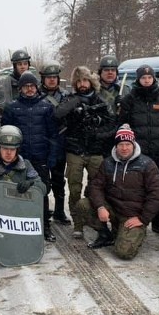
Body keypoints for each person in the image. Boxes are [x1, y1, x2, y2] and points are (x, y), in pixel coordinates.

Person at [76, 124, 159, 259]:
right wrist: (100, 207)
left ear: (133, 145)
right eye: (120, 144)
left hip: (132, 216)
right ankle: (105, 234)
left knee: (124, 252)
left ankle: (130, 233)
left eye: (127, 144)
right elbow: (95, 187)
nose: (124, 148)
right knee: (83, 204)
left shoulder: (147, 164)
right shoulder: (108, 163)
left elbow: (157, 195)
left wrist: (143, 218)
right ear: (116, 146)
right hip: (112, 209)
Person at [54, 66, 115, 239]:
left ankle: (93, 218)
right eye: (78, 81)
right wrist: (76, 102)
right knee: (74, 188)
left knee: (95, 188)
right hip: (75, 151)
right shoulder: (70, 99)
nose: (82, 84)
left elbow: (112, 125)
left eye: (85, 80)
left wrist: (97, 132)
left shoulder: (100, 100)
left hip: (95, 151)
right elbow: (57, 114)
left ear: (91, 81)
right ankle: (78, 224)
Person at [119, 64, 159, 235]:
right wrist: (131, 145)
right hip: (137, 152)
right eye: (143, 78)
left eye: (149, 78)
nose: (146, 80)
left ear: (153, 79)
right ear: (138, 79)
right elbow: (123, 124)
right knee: (137, 187)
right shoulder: (130, 99)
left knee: (156, 187)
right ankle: (136, 219)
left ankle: (156, 221)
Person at [1, 72, 58, 242]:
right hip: (19, 157)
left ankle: (45, 225)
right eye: (26, 86)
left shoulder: (46, 107)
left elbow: (53, 134)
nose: (29, 89)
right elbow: (5, 132)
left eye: (32, 86)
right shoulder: (12, 107)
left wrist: (52, 155)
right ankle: (21, 223)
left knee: (42, 190)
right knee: (19, 190)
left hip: (40, 156)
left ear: (37, 87)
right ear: (20, 89)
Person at [0, 125, 47, 252]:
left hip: (22, 210)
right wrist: (1, 207)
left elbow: (42, 188)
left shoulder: (25, 165)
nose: (8, 153)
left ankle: (22, 243)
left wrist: (31, 185)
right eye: (5, 148)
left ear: (18, 149)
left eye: (12, 149)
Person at [39, 61, 71, 225]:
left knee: (59, 179)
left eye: (54, 77)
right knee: (42, 180)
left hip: (60, 142)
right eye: (48, 77)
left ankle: (59, 211)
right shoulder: (36, 95)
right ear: (43, 79)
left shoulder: (66, 96)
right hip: (43, 142)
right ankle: (42, 212)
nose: (51, 80)